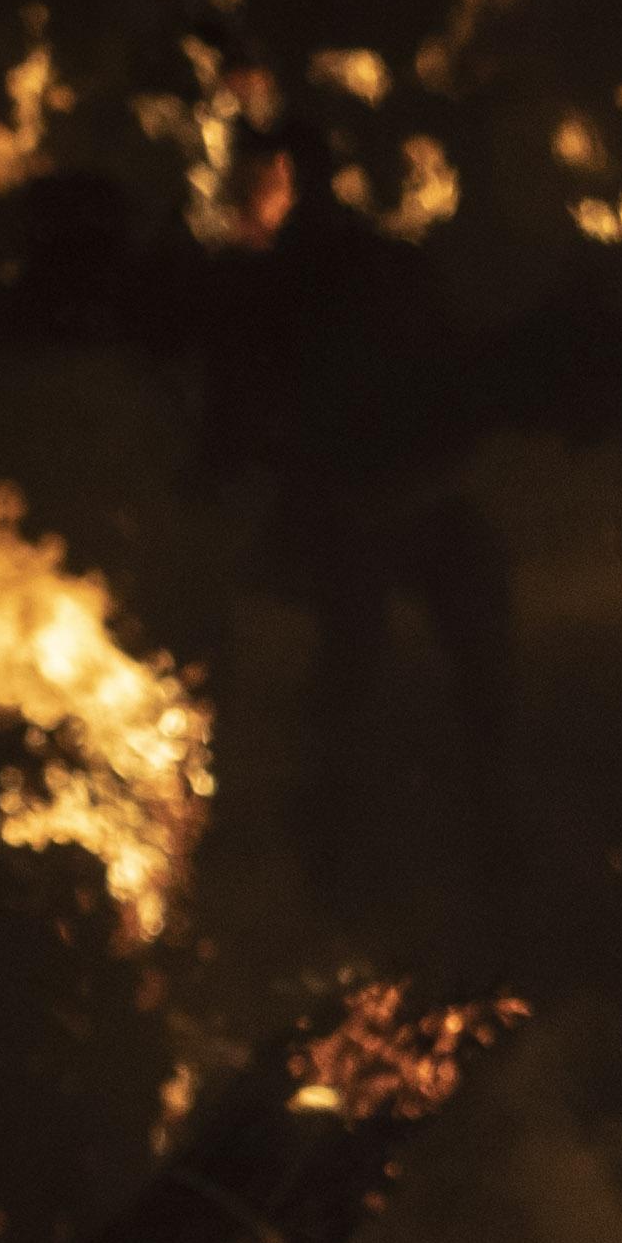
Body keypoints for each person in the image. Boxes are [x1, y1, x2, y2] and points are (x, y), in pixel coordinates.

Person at [202, 114, 520, 942]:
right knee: (386, 671)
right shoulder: (297, 277)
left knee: (395, 669)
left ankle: (436, 844)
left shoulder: (315, 275)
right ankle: (371, 854)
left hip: (389, 497)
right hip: (361, 501)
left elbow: (447, 380)